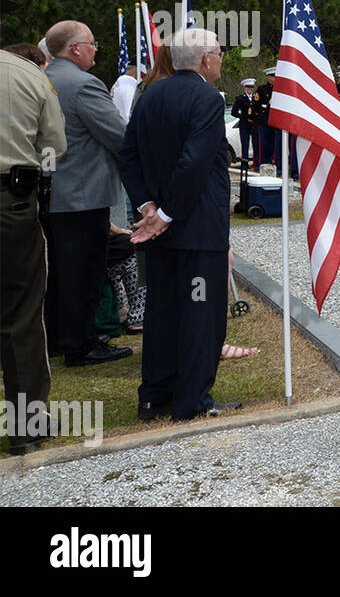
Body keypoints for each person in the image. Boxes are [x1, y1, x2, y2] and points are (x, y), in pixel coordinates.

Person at [117, 29, 240, 420]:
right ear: (204, 59)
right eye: (218, 53)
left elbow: (128, 155)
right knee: (200, 315)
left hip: (162, 230)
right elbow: (195, 162)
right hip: (196, 229)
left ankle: (154, 395)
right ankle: (191, 400)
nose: (221, 60)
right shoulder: (206, 97)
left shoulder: (151, 93)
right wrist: (165, 215)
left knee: (163, 312)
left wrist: (147, 206)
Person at [41, 20, 132, 367]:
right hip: (84, 194)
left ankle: (57, 339)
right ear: (75, 48)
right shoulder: (83, 85)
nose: (96, 50)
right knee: (84, 272)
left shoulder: (44, 78)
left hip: (51, 192)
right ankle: (80, 344)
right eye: (93, 44)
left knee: (57, 273)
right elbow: (117, 135)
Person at [0, 50, 67, 454]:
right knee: (20, 314)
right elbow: (54, 146)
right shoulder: (25, 74)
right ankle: (27, 424)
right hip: (10, 202)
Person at [231, 78, 258, 166]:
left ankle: (256, 164)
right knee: (245, 145)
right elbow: (234, 112)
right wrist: (243, 117)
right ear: (244, 88)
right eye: (248, 87)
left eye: (252, 87)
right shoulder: (240, 98)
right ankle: (245, 165)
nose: (250, 89)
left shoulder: (256, 98)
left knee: (256, 144)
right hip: (244, 125)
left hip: (254, 125)